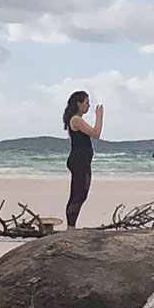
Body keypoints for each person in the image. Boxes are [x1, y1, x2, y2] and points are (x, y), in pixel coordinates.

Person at [63, 90, 103, 227]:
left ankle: (71, 225)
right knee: (78, 194)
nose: (88, 106)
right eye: (86, 103)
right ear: (79, 104)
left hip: (82, 161)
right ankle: (71, 226)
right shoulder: (76, 120)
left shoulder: (77, 119)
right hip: (79, 160)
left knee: (81, 194)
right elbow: (95, 133)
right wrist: (99, 117)